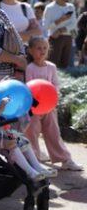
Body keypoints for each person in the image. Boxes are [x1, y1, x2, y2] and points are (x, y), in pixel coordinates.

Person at [0, 65, 55, 181]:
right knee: (12, 143)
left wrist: (4, 100)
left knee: (22, 140)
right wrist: (0, 110)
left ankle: (38, 167)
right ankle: (30, 172)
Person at [25, 37, 81, 171]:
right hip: (33, 107)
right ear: (31, 51)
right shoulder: (30, 68)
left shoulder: (51, 67)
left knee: (53, 132)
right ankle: (34, 161)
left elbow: (56, 85)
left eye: (45, 48)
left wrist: (51, 96)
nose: (42, 51)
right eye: (38, 48)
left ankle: (65, 159)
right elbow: (29, 87)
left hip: (49, 106)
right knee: (32, 132)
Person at [43, 0, 78, 69]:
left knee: (65, 66)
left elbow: (74, 24)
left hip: (68, 39)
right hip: (54, 39)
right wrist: (60, 20)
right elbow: (45, 26)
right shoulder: (50, 8)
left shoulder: (71, 7)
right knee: (53, 66)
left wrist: (60, 30)